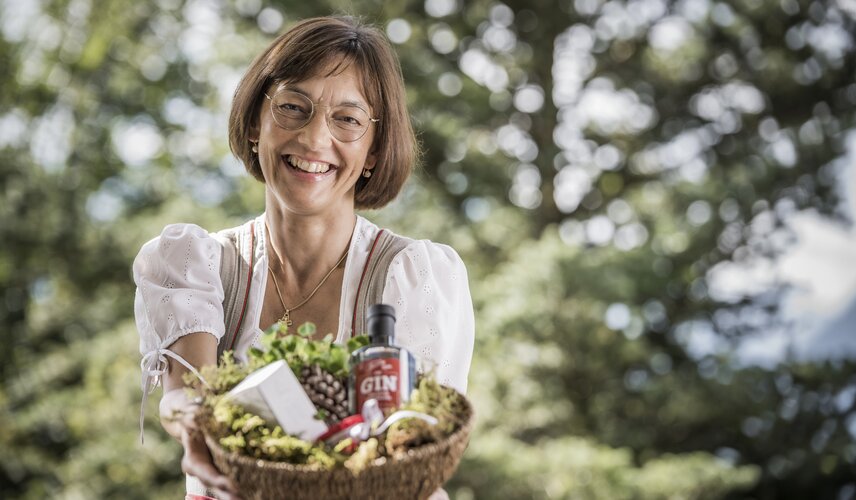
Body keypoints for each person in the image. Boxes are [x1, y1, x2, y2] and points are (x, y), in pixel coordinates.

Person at [132, 15, 475, 500]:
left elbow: (415, 442)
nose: (315, 139)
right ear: (256, 122)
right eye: (294, 107)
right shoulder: (196, 263)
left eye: (348, 120)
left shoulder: (413, 277)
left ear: (374, 150)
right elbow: (186, 393)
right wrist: (192, 429)